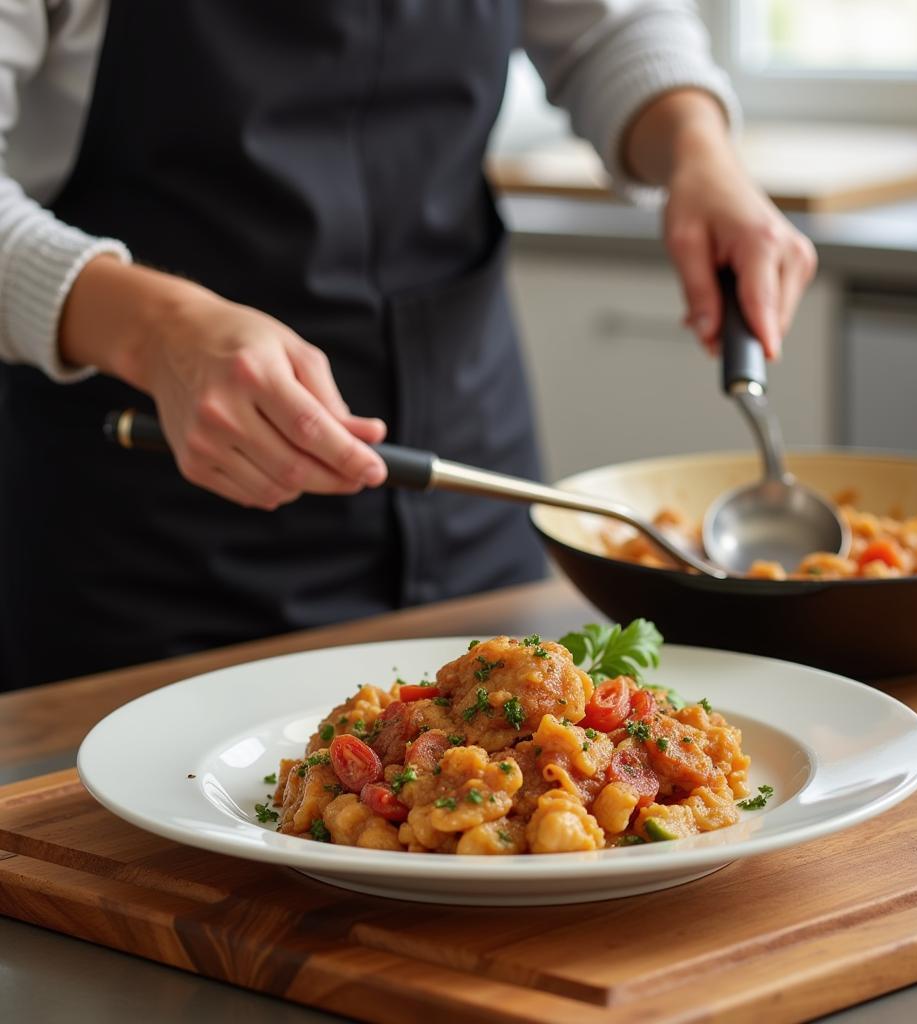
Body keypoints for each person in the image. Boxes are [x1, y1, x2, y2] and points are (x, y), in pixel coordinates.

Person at [0, 1, 816, 690]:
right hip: (145, 532)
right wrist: (155, 328)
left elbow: (611, 24)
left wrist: (698, 151)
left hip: (473, 477)